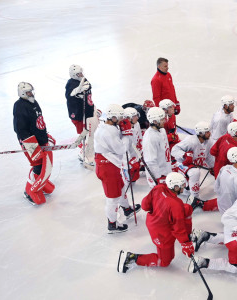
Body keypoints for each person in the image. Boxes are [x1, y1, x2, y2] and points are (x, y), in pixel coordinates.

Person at [118, 172, 194, 272]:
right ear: (175, 187)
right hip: (160, 232)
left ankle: (188, 235)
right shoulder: (176, 205)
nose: (183, 188)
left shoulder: (159, 188)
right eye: (182, 186)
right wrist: (185, 244)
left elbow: (145, 205)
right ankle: (132, 258)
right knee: (165, 261)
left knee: (187, 208)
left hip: (152, 220)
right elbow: (178, 229)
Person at [189, 147, 237, 253]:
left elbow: (216, 187)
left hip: (222, 206)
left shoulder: (225, 168)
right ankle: (206, 236)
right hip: (232, 213)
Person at [94, 104, 138, 233]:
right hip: (107, 168)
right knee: (112, 198)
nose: (121, 120)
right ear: (112, 117)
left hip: (109, 165)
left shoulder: (107, 127)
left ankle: (127, 209)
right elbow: (121, 149)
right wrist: (126, 134)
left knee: (121, 186)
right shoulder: (108, 132)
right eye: (119, 117)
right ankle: (112, 223)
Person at [13, 82, 55, 205]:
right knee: (38, 165)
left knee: (46, 165)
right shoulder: (19, 106)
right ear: (22, 93)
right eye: (28, 92)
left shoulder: (33, 102)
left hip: (40, 139)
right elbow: (20, 129)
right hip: (30, 142)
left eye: (32, 91)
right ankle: (29, 190)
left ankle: (41, 183)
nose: (31, 94)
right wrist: (32, 145)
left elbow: (38, 121)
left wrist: (45, 134)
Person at [171, 121, 216, 211]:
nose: (209, 133)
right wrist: (184, 155)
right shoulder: (190, 141)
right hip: (181, 164)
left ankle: (187, 188)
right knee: (195, 172)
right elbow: (174, 150)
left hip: (193, 165)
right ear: (200, 133)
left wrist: (212, 167)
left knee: (190, 184)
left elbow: (209, 157)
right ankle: (196, 198)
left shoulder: (209, 142)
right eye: (207, 132)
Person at [65, 64, 100, 167]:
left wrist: (93, 108)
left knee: (92, 134)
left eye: (81, 72)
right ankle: (84, 154)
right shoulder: (71, 84)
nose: (81, 74)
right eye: (78, 73)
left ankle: (89, 152)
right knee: (86, 135)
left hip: (89, 111)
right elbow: (70, 95)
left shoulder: (82, 79)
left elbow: (88, 88)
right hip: (80, 116)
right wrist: (78, 91)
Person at [142, 107, 171, 187]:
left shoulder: (162, 130)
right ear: (154, 121)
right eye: (162, 119)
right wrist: (158, 177)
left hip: (166, 170)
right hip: (159, 174)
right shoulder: (150, 138)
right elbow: (150, 161)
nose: (164, 121)